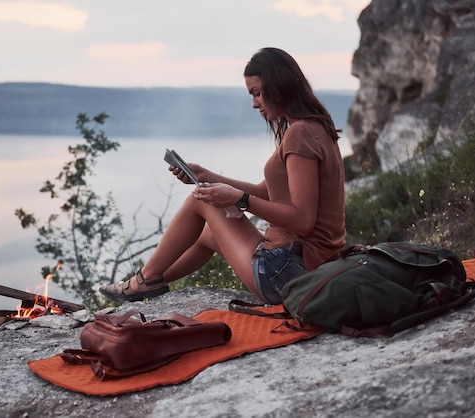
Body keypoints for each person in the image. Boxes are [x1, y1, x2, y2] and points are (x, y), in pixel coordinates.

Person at [100, 47, 346, 305]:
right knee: (207, 234)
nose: (254, 104)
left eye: (257, 93)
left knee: (200, 201)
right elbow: (266, 192)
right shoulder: (313, 128)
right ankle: (144, 285)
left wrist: (239, 199)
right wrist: (209, 176)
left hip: (289, 274)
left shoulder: (300, 134)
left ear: (279, 85)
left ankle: (144, 279)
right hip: (306, 267)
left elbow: (303, 221)